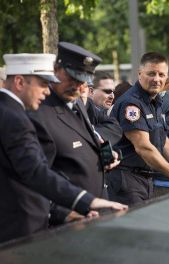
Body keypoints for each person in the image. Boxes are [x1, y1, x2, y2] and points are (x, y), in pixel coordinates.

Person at [0, 53, 127, 243]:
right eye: (43, 84)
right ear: (19, 82)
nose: (47, 91)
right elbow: (35, 171)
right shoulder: (16, 117)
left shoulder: (10, 111)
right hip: (20, 225)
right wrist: (85, 201)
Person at [28, 42, 123, 223]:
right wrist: (60, 213)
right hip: (68, 216)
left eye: (82, 81)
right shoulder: (39, 111)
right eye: (72, 79)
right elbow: (35, 175)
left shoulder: (76, 101)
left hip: (95, 208)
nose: (77, 87)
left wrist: (104, 155)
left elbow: (84, 139)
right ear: (56, 70)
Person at [110, 52, 169, 204]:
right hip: (127, 181)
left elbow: (163, 141)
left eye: (161, 75)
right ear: (140, 74)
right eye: (151, 74)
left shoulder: (155, 100)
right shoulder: (131, 104)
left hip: (146, 180)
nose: (157, 79)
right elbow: (144, 148)